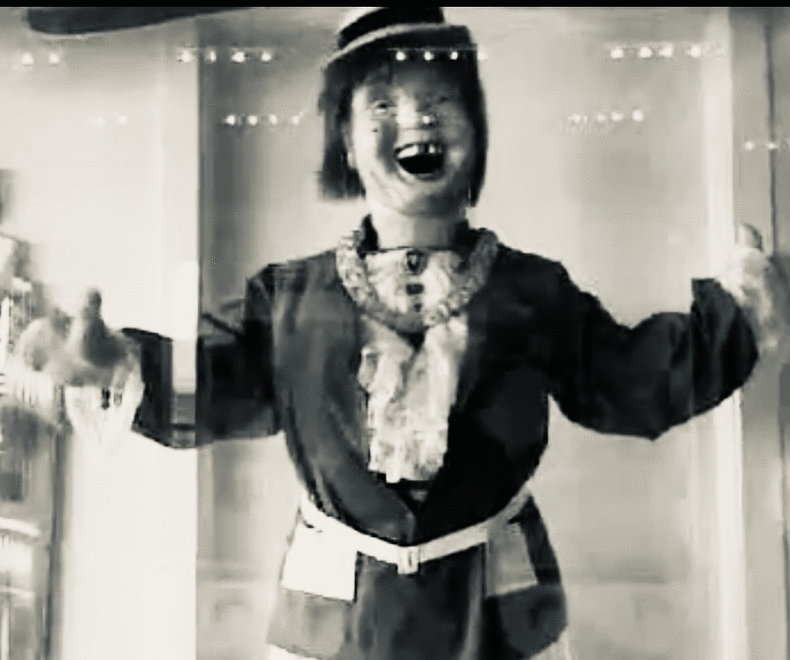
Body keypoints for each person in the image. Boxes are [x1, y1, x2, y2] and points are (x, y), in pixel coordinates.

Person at [22, 7, 790, 660]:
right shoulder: (289, 299)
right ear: (346, 143)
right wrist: (115, 362)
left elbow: (625, 379)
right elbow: (214, 387)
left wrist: (737, 315)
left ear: (476, 130)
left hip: (497, 615)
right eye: (382, 105)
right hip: (335, 620)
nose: (416, 119)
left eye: (440, 100)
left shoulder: (533, 291)